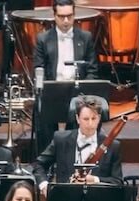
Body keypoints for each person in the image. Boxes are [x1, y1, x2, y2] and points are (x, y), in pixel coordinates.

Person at [33, 95, 124, 201]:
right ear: (77, 118)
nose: (90, 124)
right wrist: (45, 186)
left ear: (99, 118)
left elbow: (118, 182)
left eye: (94, 119)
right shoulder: (61, 139)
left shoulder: (112, 145)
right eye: (86, 119)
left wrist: (95, 180)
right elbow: (38, 165)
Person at [32, 0, 99, 151]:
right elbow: (38, 69)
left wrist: (85, 93)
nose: (66, 21)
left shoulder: (86, 37)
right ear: (54, 16)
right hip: (52, 92)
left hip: (78, 92)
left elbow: (92, 70)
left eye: (70, 16)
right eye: (62, 17)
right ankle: (47, 157)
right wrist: (45, 90)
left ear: (74, 15)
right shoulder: (43, 39)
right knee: (43, 108)